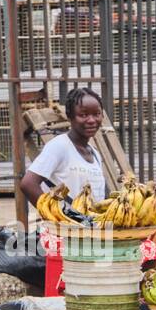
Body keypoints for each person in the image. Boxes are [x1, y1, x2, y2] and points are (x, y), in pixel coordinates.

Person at [20, 86, 108, 296]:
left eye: (96, 114)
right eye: (83, 115)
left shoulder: (94, 153)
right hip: (64, 236)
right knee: (65, 298)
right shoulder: (59, 147)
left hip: (90, 233)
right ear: (70, 116)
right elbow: (28, 183)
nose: (91, 120)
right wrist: (59, 216)